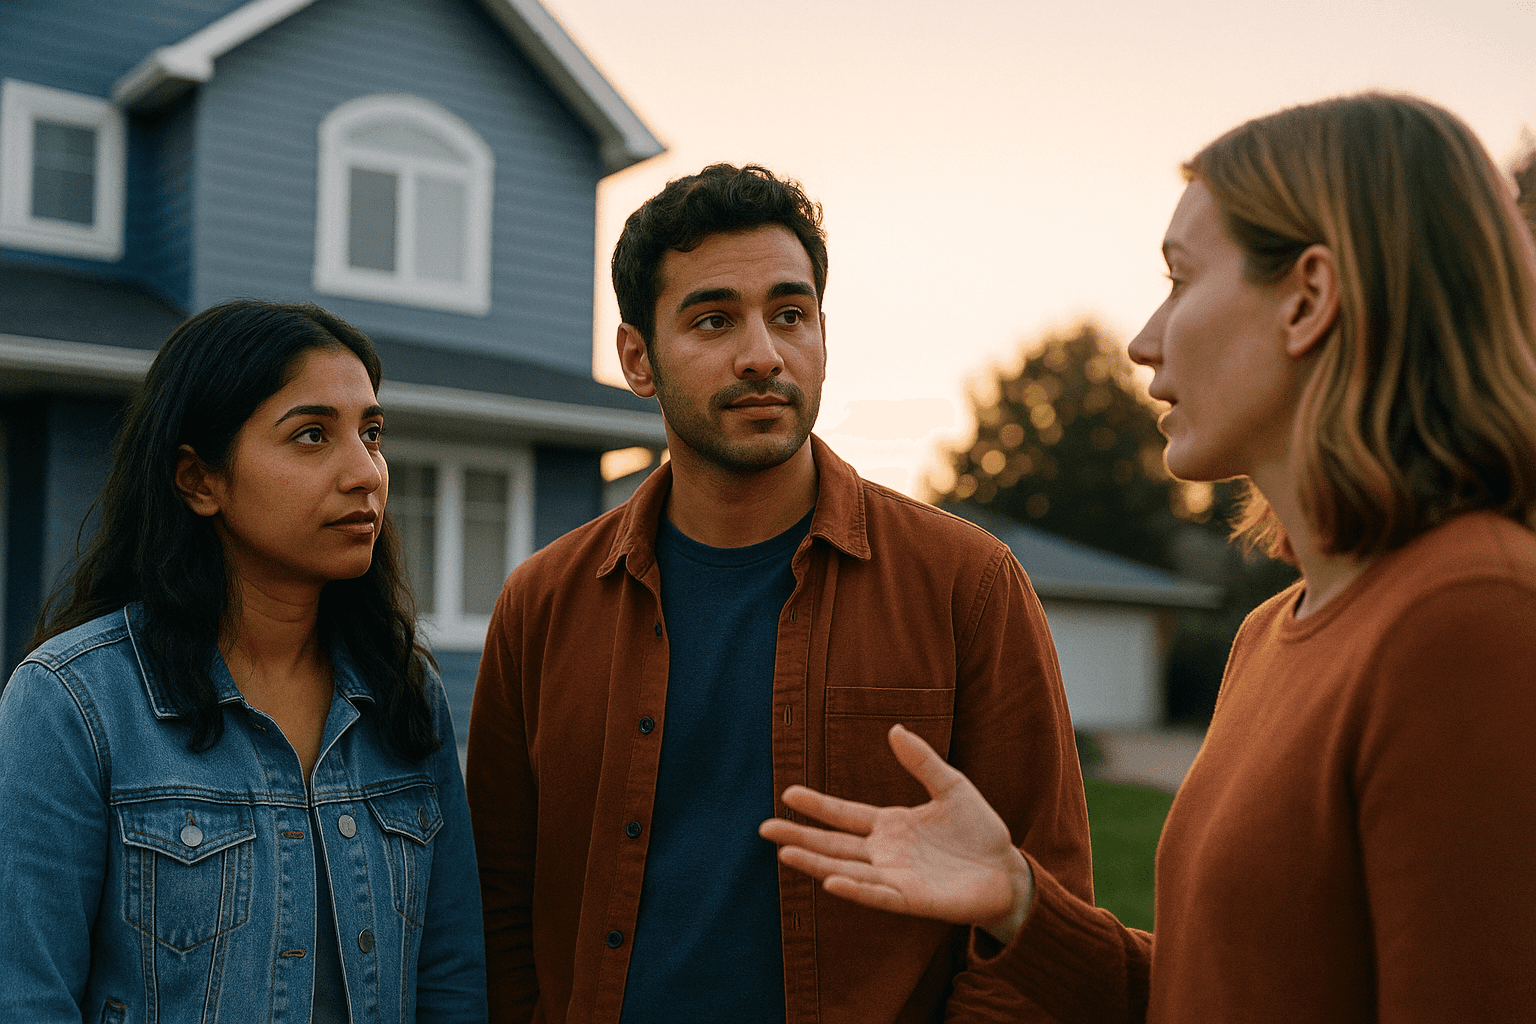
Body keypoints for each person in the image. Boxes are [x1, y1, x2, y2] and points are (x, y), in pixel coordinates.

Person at [760, 92, 1536, 1022]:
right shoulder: (1271, 634)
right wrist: (1019, 903)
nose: (1143, 341)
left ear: (1311, 298)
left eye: (1180, 278)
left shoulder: (1475, 617)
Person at [465, 163, 1093, 1023]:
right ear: (637, 358)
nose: (762, 354)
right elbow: (500, 908)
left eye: (789, 315)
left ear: (823, 337)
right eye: (714, 319)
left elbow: (1043, 908)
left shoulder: (967, 586)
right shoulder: (541, 605)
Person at [0, 301, 487, 1022]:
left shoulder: (403, 692)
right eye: (313, 435)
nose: (367, 474)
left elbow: (451, 981)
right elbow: (26, 997)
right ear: (200, 479)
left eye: (372, 433)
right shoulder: (73, 703)